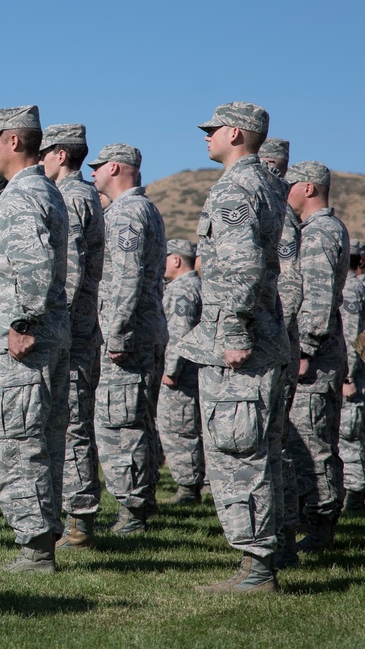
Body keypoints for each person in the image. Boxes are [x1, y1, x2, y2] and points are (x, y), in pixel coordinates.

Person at [181, 102, 288, 593]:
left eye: (214, 129)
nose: (207, 136)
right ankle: (262, 558)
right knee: (257, 451)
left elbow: (240, 265)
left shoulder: (237, 186)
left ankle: (256, 565)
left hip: (239, 343)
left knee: (238, 451)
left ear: (238, 133)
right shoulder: (267, 181)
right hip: (260, 336)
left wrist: (235, 331)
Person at [0, 106, 71, 573]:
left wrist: (21, 323)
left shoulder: (25, 195)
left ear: (13, 141)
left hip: (22, 341)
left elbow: (32, 263)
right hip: (40, 334)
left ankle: (35, 548)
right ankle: (39, 541)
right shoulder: (30, 189)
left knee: (15, 440)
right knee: (35, 439)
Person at [89, 144, 166, 535]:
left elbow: (125, 279)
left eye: (98, 167)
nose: (93, 174)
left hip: (128, 335)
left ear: (115, 167)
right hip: (143, 330)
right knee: (135, 419)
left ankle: (133, 510)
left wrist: (115, 334)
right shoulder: (142, 208)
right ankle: (141, 503)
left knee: (119, 422)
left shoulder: (127, 213)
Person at [40, 124, 105, 548]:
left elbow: (71, 271)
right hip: (75, 331)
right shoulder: (78, 196)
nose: (39, 159)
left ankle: (80, 520)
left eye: (45, 151)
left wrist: (50, 321)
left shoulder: (75, 197)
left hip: (73, 333)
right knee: (69, 422)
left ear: (61, 154)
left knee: (74, 424)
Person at [285, 160, 349, 553]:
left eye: (290, 185)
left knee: (313, 443)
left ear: (308, 188)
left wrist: (305, 348)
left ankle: (321, 526)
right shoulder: (319, 230)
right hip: (320, 352)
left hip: (317, 356)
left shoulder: (321, 232)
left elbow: (319, 297)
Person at [258, 136, 301, 569]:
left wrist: (278, 336)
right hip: (273, 339)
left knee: (273, 446)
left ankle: (282, 539)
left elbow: (289, 283)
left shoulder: (278, 211)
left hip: (272, 343)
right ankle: (280, 539)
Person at [157, 239, 205, 504]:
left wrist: (171, 369)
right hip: (191, 371)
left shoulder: (182, 290)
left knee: (178, 427)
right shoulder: (194, 286)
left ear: (176, 260)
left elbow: (179, 333)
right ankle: (194, 485)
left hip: (181, 375)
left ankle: (188, 488)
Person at [339, 239, 365, 514]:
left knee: (349, 436)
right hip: (358, 373)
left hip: (353, 376)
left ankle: (354, 498)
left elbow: (352, 336)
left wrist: (347, 377)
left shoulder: (350, 289)